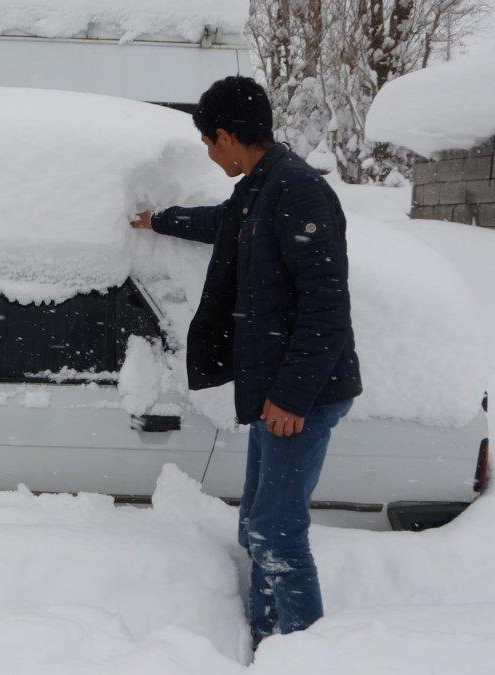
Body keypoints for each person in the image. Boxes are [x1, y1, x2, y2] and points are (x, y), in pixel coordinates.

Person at [131, 76, 361, 649]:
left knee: (278, 532)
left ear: (229, 136)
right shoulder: (261, 188)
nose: (210, 155)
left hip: (303, 394)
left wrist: (291, 397)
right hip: (276, 387)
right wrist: (160, 221)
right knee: (256, 526)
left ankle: (309, 655)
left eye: (210, 143)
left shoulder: (299, 192)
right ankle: (267, 643)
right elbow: (223, 224)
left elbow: (326, 308)